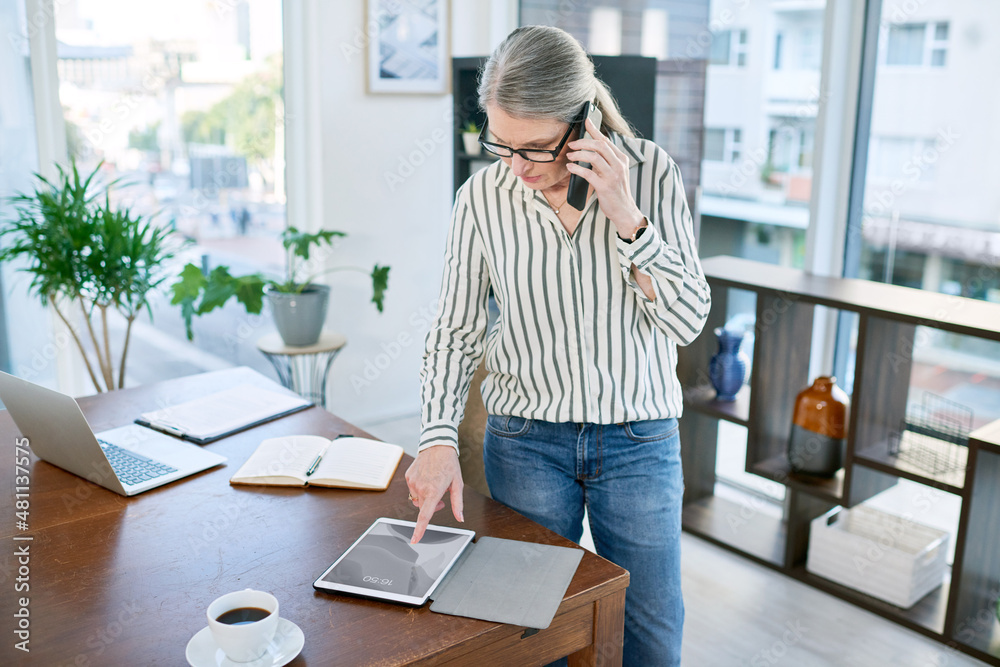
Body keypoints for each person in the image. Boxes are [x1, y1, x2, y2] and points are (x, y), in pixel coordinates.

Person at [405, 25, 711, 666]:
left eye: (536, 148)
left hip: (639, 438)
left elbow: (686, 322)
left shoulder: (650, 172)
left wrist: (627, 216)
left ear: (585, 121)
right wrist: (436, 437)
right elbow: (455, 329)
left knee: (650, 628)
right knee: (530, 628)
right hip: (525, 441)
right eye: (502, 144)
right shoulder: (482, 199)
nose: (517, 167)